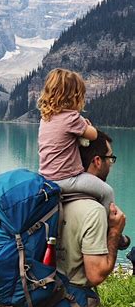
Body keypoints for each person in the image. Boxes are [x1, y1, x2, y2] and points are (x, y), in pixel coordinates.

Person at [28, 130, 126, 307]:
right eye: (110, 158)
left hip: (37, 305)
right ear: (97, 161)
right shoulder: (93, 211)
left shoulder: (45, 200)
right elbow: (96, 274)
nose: (110, 164)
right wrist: (114, 232)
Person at [38, 68, 114, 212]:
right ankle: (109, 228)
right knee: (107, 191)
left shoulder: (45, 118)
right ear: (75, 96)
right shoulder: (71, 118)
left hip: (46, 177)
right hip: (67, 179)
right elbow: (93, 135)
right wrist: (86, 125)